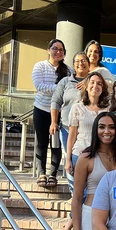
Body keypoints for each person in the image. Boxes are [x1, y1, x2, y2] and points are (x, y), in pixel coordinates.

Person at [32, 38, 71, 187]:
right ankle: (41, 173)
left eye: (61, 50)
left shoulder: (68, 70)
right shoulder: (40, 66)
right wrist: (59, 88)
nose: (58, 52)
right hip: (41, 109)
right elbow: (39, 86)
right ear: (49, 50)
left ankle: (53, 174)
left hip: (59, 112)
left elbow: (70, 88)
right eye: (55, 48)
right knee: (41, 142)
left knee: (56, 144)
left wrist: (60, 89)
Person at [51, 52, 91, 187]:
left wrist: (88, 81)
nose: (81, 63)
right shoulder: (65, 82)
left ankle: (85, 189)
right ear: (73, 65)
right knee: (69, 157)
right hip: (67, 127)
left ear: (89, 63)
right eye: (78, 61)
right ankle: (73, 190)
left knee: (85, 157)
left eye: (84, 60)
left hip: (86, 129)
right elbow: (56, 101)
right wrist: (54, 122)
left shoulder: (94, 81)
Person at [66, 72, 110, 176]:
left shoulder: (108, 109)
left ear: (103, 88)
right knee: (80, 192)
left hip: (101, 157)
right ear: (86, 86)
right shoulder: (77, 108)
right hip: (80, 154)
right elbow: (72, 135)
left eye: (99, 84)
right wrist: (68, 159)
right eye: (92, 82)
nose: (95, 86)